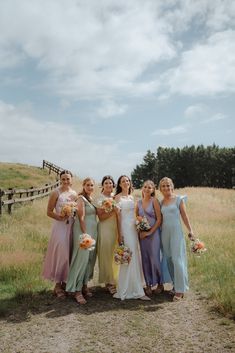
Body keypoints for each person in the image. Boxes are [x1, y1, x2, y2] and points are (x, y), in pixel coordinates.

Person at [113, 175, 150, 301]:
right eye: (123, 181)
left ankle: (136, 287)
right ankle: (127, 289)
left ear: (130, 183)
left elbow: (136, 214)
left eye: (127, 181)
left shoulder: (132, 197)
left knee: (135, 255)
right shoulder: (117, 198)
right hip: (124, 228)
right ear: (119, 184)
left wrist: (140, 223)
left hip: (133, 228)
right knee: (128, 256)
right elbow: (117, 218)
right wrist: (119, 234)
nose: (125, 183)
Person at [159, 177, 195, 301]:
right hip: (165, 233)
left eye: (168, 185)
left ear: (172, 186)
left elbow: (184, 216)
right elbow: (160, 220)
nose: (166, 187)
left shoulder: (179, 199)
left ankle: (180, 290)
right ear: (160, 189)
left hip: (176, 233)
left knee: (177, 259)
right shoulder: (161, 202)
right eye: (163, 186)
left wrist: (190, 230)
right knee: (168, 259)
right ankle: (175, 285)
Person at [42, 170, 77, 298]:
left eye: (68, 179)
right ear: (60, 180)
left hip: (72, 227)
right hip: (60, 227)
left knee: (70, 253)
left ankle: (66, 283)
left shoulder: (74, 194)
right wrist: (60, 217)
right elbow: (49, 211)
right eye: (63, 179)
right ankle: (57, 284)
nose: (66, 181)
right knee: (61, 254)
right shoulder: (55, 193)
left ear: (71, 179)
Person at [66, 177, 97, 304]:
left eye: (92, 185)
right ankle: (75, 290)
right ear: (83, 186)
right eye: (88, 185)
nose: (90, 187)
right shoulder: (81, 199)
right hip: (83, 233)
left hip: (92, 232)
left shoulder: (90, 199)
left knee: (89, 260)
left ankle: (84, 285)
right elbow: (82, 217)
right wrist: (85, 235)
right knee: (81, 260)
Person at [135, 180, 164, 296]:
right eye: (145, 187)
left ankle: (160, 283)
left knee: (155, 259)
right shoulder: (138, 202)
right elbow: (136, 218)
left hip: (154, 234)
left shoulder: (155, 201)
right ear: (142, 188)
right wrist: (140, 231)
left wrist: (150, 232)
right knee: (145, 259)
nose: (147, 189)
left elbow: (159, 219)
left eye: (150, 188)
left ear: (153, 190)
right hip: (142, 235)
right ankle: (148, 284)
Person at [96, 175, 118, 294]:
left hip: (116, 227)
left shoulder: (115, 196)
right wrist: (113, 210)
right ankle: (108, 282)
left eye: (110, 183)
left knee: (115, 253)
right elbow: (101, 217)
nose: (108, 185)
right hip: (105, 228)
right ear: (102, 185)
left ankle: (115, 279)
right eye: (106, 183)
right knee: (106, 254)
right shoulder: (99, 198)